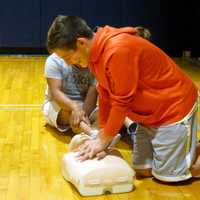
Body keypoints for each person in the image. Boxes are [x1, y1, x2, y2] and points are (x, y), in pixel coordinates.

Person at [46, 15, 200, 182]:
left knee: (169, 176)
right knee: (144, 170)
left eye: (67, 57)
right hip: (148, 115)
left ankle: (187, 150)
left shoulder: (117, 49)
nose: (68, 63)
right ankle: (188, 147)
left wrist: (103, 140)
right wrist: (102, 136)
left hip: (173, 108)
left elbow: (121, 102)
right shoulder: (94, 55)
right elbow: (105, 96)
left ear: (81, 43)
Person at [42, 51, 98, 134]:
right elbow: (56, 93)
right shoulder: (54, 60)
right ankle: (92, 134)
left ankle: (92, 133)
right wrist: (74, 108)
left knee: (107, 113)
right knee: (70, 113)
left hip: (83, 108)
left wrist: (82, 115)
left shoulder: (96, 63)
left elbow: (91, 98)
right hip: (58, 106)